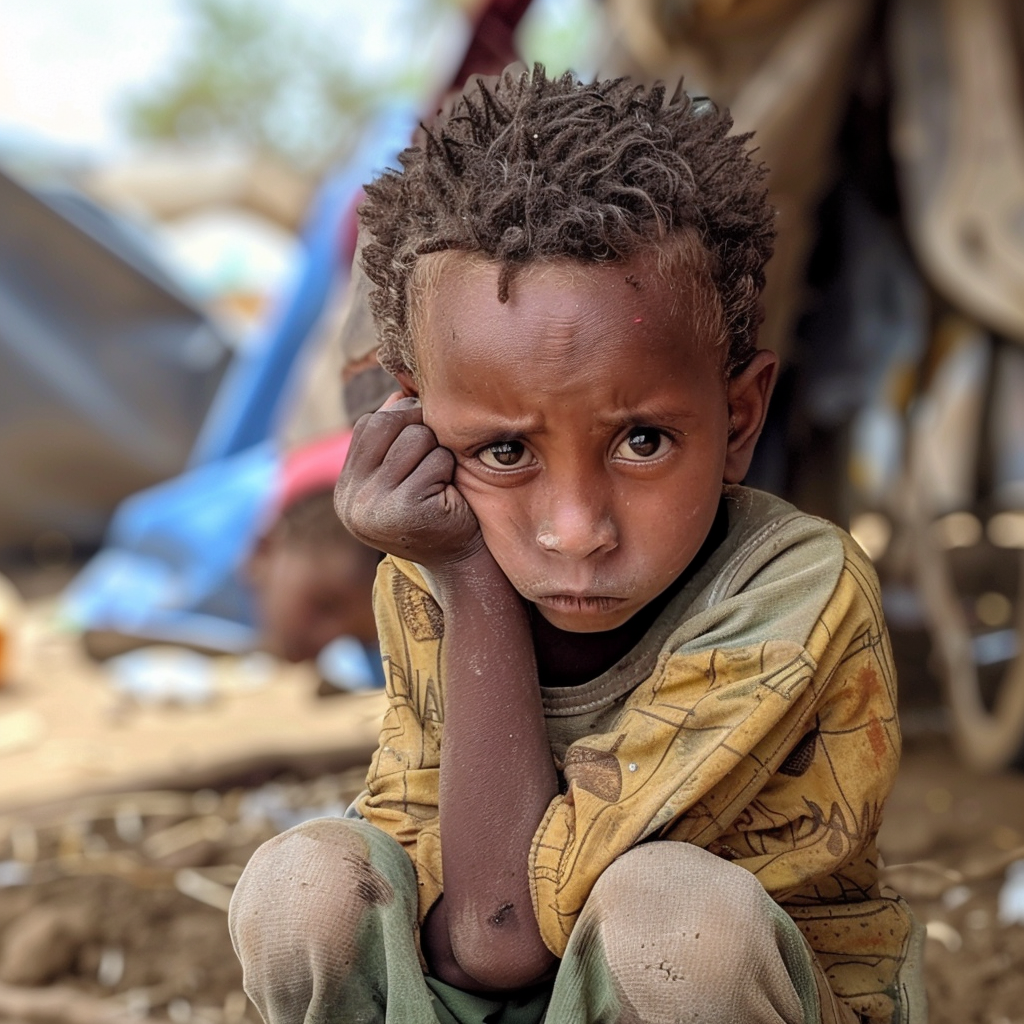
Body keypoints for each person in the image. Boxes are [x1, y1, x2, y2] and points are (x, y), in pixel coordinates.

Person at [228, 67, 924, 1024]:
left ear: (740, 417)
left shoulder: (791, 593)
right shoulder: (423, 568)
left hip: (692, 992)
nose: (577, 529)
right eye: (504, 451)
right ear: (416, 425)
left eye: (642, 441)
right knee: (298, 885)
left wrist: (474, 577)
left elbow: (500, 935)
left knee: (673, 921)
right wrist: (454, 568)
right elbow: (418, 849)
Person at [64, 431, 383, 686]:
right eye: (324, 606)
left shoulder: (306, 573)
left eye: (360, 639)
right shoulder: (196, 538)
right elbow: (97, 612)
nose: (326, 642)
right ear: (263, 550)